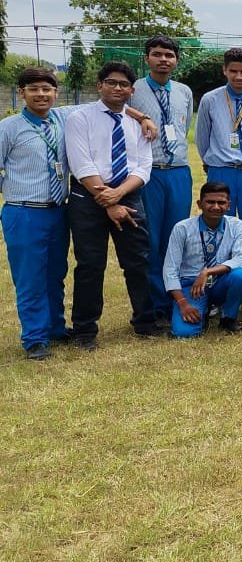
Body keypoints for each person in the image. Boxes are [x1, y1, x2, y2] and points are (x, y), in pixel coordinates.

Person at [65, 62, 161, 348]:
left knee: (138, 261)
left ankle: (145, 322)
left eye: (123, 85)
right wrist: (107, 200)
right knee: (90, 265)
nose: (117, 88)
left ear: (132, 90)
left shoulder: (138, 124)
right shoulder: (79, 118)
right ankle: (84, 330)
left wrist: (118, 195)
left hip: (128, 196)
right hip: (88, 196)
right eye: (111, 82)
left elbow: (144, 166)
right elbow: (81, 164)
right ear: (99, 86)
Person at [0, 67, 73, 358]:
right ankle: (34, 338)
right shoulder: (9, 127)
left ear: (56, 93)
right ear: (22, 94)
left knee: (55, 273)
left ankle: (55, 326)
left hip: (57, 210)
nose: (41, 94)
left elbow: (105, 104)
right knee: (30, 276)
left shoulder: (64, 120)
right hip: (24, 211)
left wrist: (141, 116)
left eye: (47, 89)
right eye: (33, 89)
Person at [131, 35, 195, 325]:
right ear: (147, 58)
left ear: (176, 60)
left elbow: (185, 127)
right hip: (149, 171)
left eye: (169, 55)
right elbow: (116, 108)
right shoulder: (134, 90)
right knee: (151, 238)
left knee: (175, 238)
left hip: (179, 170)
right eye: (157, 54)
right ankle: (155, 303)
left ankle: (174, 299)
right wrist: (142, 116)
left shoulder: (183, 91)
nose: (163, 59)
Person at [163, 181, 242, 337]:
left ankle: (228, 317)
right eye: (210, 202)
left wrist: (207, 272)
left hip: (220, 282)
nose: (216, 207)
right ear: (200, 204)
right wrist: (182, 303)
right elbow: (170, 269)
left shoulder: (236, 225)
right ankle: (201, 311)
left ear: (229, 205)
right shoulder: (182, 228)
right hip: (192, 286)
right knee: (183, 333)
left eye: (221, 202)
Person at [194, 48, 242, 219]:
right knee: (218, 219)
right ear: (224, 70)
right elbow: (202, 137)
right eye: (233, 71)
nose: (238, 76)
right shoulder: (210, 99)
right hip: (221, 169)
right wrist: (211, 161)